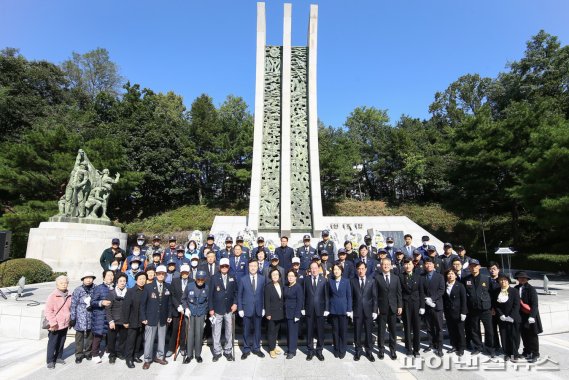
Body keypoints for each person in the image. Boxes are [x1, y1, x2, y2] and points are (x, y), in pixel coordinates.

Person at [140, 265, 172, 369]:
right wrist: (143, 317)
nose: (161, 275)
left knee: (162, 338)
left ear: (166, 275)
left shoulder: (168, 286)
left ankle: (159, 356)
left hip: (163, 317)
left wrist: (169, 315)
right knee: (149, 339)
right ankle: (147, 359)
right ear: (155, 275)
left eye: (163, 274)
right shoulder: (148, 287)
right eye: (159, 274)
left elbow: (169, 304)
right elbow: (143, 304)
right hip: (151, 317)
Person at [463, 258, 495, 357]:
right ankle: (478, 347)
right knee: (474, 329)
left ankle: (490, 348)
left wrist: (493, 307)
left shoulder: (486, 278)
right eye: (471, 266)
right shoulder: (466, 279)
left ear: (479, 267)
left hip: (486, 308)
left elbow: (492, 294)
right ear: (469, 267)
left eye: (475, 266)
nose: (473, 268)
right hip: (473, 309)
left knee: (489, 330)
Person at [208, 257, 238, 362]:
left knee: (229, 331)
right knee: (216, 331)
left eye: (226, 266)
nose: (224, 268)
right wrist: (211, 308)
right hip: (217, 309)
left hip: (229, 309)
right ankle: (216, 351)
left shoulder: (232, 277)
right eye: (222, 266)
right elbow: (210, 294)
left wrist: (235, 303)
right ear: (219, 267)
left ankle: (228, 351)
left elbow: (236, 292)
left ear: (229, 267)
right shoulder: (214, 278)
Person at [238, 260, 266, 359]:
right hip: (246, 308)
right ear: (248, 267)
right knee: (246, 330)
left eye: (255, 266)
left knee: (257, 330)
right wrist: (240, 308)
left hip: (258, 308)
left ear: (258, 267)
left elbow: (264, 294)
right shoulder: (243, 279)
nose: (253, 268)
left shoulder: (262, 279)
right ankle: (246, 349)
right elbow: (239, 295)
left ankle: (256, 348)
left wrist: (264, 307)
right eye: (251, 266)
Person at [375, 258, 402, 360]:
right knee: (381, 330)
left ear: (391, 266)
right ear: (381, 266)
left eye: (387, 264)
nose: (386, 266)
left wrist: (400, 306)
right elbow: (375, 294)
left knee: (393, 330)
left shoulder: (396, 278)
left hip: (393, 308)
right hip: (381, 308)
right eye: (384, 264)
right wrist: (376, 307)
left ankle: (392, 349)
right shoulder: (377, 278)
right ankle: (381, 350)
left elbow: (399, 293)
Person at [302, 261, 329, 361]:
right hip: (309, 309)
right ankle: (310, 351)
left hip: (320, 310)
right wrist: (303, 308)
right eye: (312, 268)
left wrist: (327, 308)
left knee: (320, 331)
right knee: (309, 331)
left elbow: (326, 296)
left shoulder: (324, 280)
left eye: (315, 268)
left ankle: (319, 351)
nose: (314, 270)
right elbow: (304, 295)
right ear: (310, 270)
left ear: (318, 268)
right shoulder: (306, 280)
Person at [351, 261, 377, 362]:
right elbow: (351, 297)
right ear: (356, 270)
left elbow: (375, 297)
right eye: (359, 269)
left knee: (368, 332)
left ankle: (369, 351)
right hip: (357, 310)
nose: (361, 271)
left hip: (368, 311)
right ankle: (357, 350)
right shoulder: (352, 281)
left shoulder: (372, 281)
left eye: (362, 269)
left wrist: (375, 310)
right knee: (357, 332)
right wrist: (351, 310)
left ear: (366, 270)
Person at [514, 271, 542, 363]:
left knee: (532, 335)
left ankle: (535, 353)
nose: (522, 279)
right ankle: (526, 351)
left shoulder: (531, 289)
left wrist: (532, 316)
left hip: (530, 315)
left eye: (524, 278)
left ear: (527, 279)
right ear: (517, 279)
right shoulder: (516, 288)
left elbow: (535, 304)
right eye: (520, 277)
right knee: (524, 334)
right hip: (520, 315)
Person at [44, 275, 72, 369]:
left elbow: (71, 308)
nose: (64, 285)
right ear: (57, 285)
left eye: (65, 283)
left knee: (62, 341)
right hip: (55, 324)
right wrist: (52, 322)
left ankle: (59, 357)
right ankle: (50, 360)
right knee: (53, 342)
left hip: (65, 323)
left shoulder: (69, 295)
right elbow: (48, 311)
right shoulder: (52, 296)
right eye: (61, 283)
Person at [182, 270, 209, 364]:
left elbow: (208, 302)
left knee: (199, 334)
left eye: (202, 280)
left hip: (200, 314)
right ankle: (189, 355)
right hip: (190, 313)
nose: (200, 281)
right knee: (190, 334)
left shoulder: (207, 287)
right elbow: (184, 298)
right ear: (195, 278)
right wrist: (186, 308)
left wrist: (205, 313)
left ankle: (198, 355)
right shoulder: (189, 286)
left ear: (205, 279)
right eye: (198, 279)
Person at [122, 271, 147, 368]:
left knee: (139, 339)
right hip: (132, 320)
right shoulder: (131, 291)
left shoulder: (145, 290)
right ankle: (129, 359)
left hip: (142, 320)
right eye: (140, 279)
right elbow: (126, 307)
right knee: (131, 340)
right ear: (136, 280)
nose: (142, 281)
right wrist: (125, 321)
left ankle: (136, 355)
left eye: (143, 279)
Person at [420, 257, 445, 357]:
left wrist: (432, 299)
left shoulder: (439, 276)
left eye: (430, 264)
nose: (428, 265)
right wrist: (424, 302)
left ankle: (439, 347)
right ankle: (431, 344)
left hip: (436, 305)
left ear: (434, 265)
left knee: (438, 327)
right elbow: (421, 291)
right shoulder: (422, 277)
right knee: (429, 327)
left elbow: (441, 290)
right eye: (426, 264)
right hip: (426, 306)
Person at [399, 258, 423, 357]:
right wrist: (400, 306)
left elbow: (422, 292)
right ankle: (408, 348)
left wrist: (422, 306)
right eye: (406, 264)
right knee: (407, 326)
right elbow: (399, 293)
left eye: (409, 264)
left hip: (416, 304)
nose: (407, 266)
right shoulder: (400, 276)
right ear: (403, 266)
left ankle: (416, 349)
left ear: (413, 265)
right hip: (406, 304)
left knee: (417, 327)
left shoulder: (418, 277)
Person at [493, 274, 521, 361]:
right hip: (502, 318)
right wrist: (501, 314)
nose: (502, 282)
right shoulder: (496, 291)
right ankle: (507, 353)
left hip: (513, 318)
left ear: (508, 281)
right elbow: (496, 305)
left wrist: (511, 316)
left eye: (504, 280)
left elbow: (516, 305)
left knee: (514, 336)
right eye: (501, 280)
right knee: (504, 336)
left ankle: (514, 354)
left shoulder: (514, 291)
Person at [70, 271, 95, 363]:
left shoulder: (95, 288)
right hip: (80, 316)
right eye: (86, 278)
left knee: (90, 335)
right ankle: (79, 354)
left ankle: (88, 352)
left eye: (90, 278)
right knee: (79, 336)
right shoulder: (78, 290)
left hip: (91, 315)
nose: (88, 280)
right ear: (83, 280)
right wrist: (73, 318)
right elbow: (73, 304)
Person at [328, 264, 352, 359]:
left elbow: (349, 296)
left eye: (338, 269)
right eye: (334, 269)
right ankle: (336, 348)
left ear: (341, 271)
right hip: (333, 309)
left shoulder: (346, 281)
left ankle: (343, 349)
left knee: (343, 331)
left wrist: (349, 309)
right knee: (335, 331)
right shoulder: (330, 281)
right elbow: (328, 295)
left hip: (343, 310)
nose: (336, 271)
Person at [90, 270, 114, 363]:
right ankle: (95, 354)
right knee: (98, 335)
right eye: (108, 275)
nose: (110, 277)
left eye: (112, 275)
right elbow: (92, 302)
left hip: (111, 315)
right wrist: (101, 302)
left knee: (110, 334)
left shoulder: (114, 288)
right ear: (104, 277)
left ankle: (108, 350)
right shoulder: (99, 288)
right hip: (100, 315)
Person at [167, 264, 191, 358]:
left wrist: (186, 307)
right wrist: (178, 306)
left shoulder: (192, 281)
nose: (185, 274)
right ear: (180, 273)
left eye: (186, 272)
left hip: (187, 309)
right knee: (174, 329)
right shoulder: (175, 281)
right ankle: (171, 348)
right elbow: (172, 295)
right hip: (177, 310)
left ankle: (183, 348)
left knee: (184, 330)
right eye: (183, 272)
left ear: (189, 273)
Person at [442, 269, 467, 357]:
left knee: (460, 331)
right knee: (451, 330)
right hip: (449, 312)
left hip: (459, 312)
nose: (450, 275)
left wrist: (463, 312)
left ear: (456, 276)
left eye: (452, 274)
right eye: (449, 274)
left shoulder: (460, 286)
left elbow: (464, 300)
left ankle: (461, 348)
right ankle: (454, 345)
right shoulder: (444, 286)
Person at [106, 273, 128, 364]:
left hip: (124, 321)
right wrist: (110, 321)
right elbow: (108, 308)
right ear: (117, 282)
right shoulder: (111, 293)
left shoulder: (129, 292)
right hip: (114, 321)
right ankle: (112, 355)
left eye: (124, 281)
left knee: (123, 339)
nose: (122, 283)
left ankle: (120, 352)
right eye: (120, 281)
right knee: (111, 340)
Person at [264, 268, 285, 358]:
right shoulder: (268, 286)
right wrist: (268, 313)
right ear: (270, 276)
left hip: (279, 312)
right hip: (271, 313)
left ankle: (274, 346)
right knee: (271, 332)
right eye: (273, 275)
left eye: (276, 274)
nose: (275, 276)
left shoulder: (281, 284)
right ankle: (271, 349)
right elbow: (267, 301)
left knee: (276, 331)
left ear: (279, 276)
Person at [283, 269, 304, 359]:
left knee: (293, 333)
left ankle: (292, 351)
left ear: (296, 277)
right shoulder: (286, 286)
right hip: (287, 313)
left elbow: (300, 302)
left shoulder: (298, 287)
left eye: (292, 276)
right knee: (288, 332)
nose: (290, 277)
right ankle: (289, 348)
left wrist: (297, 315)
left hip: (294, 313)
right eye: (289, 276)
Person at [487, 261, 503, 353]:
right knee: (492, 329)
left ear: (498, 270)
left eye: (494, 269)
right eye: (491, 269)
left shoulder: (502, 280)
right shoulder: (486, 280)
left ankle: (505, 346)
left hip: (501, 309)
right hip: (490, 309)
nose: (492, 271)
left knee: (503, 329)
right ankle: (495, 345)